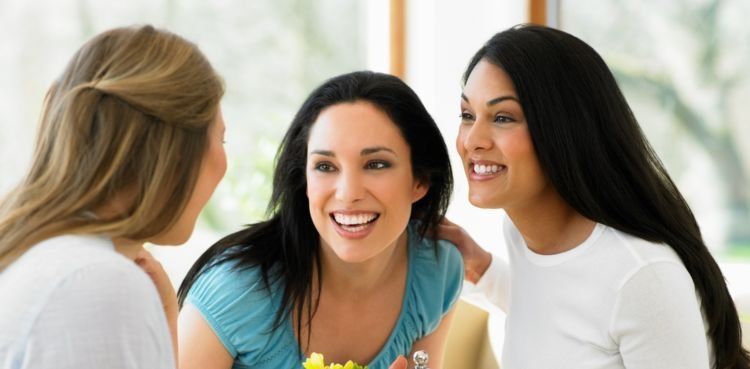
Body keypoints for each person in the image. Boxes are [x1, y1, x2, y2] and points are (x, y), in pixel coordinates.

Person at [438, 24, 750, 368]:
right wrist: (482, 269)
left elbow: (601, 298)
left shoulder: (643, 277)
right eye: (467, 115)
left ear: (564, 129)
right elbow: (565, 320)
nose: (472, 140)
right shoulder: (521, 235)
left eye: (502, 117)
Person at [176, 71, 462, 369]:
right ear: (304, 179)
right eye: (325, 166)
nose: (348, 193)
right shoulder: (235, 290)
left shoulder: (437, 271)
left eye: (376, 164)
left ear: (420, 180)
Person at [0, 25, 226, 369]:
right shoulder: (96, 285)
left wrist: (162, 318)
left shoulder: (49, 260)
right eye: (221, 140)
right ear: (175, 150)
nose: (224, 165)